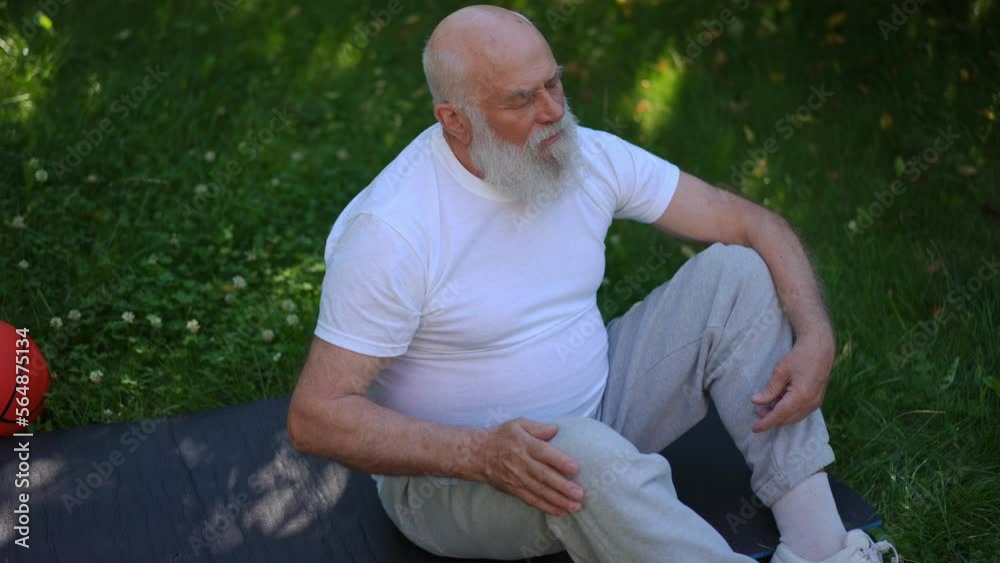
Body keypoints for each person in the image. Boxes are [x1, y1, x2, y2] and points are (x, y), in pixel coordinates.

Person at [287, 5, 899, 563]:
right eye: (521, 100)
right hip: (457, 485)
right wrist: (477, 454)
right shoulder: (393, 231)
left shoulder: (583, 157)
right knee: (589, 455)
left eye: (554, 82)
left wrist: (815, 334)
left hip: (599, 411)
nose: (553, 111)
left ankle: (822, 548)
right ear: (455, 121)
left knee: (738, 272)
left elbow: (750, 222)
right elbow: (316, 417)